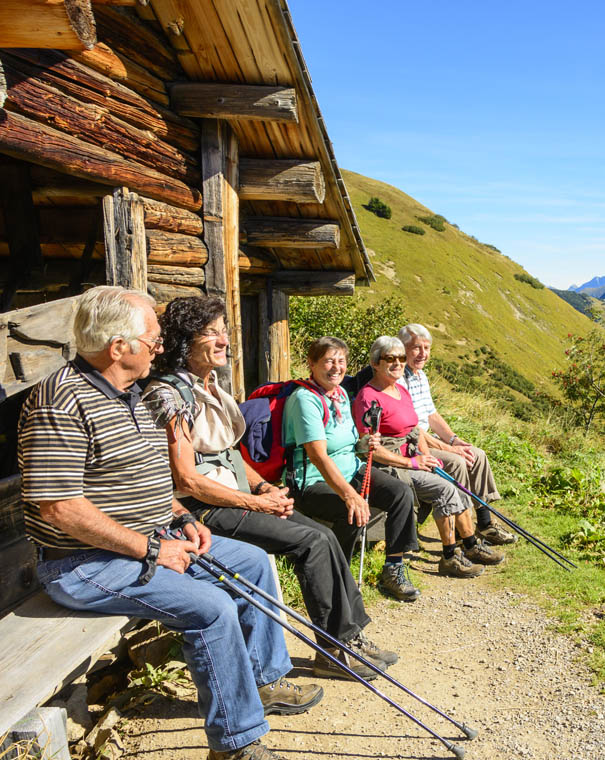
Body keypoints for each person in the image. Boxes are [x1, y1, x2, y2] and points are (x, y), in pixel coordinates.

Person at [19, 286, 319, 760]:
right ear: (120, 347)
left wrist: (179, 517)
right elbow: (59, 508)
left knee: (253, 562)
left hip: (152, 539)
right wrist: (151, 549)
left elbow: (152, 480)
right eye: (154, 341)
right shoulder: (62, 400)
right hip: (83, 563)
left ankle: (264, 683)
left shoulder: (131, 396)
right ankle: (235, 744)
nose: (160, 349)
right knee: (212, 607)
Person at [142, 296, 398, 680]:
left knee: (322, 536)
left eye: (223, 332)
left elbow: (227, 453)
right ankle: (337, 649)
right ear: (185, 340)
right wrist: (254, 503)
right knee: (310, 543)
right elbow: (187, 479)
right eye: (211, 333)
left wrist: (263, 487)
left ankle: (347, 638)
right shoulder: (170, 394)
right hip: (202, 508)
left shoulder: (208, 387)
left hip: (236, 496)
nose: (224, 341)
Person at [353, 336, 503, 578]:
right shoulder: (369, 398)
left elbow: (414, 430)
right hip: (391, 465)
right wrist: (413, 462)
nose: (398, 363)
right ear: (375, 363)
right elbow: (368, 449)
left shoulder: (400, 390)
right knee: (445, 489)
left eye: (401, 358)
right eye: (390, 358)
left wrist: (424, 454)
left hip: (412, 457)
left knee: (452, 479)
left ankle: (467, 545)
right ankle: (451, 556)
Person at [283, 336, 419, 602]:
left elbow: (349, 445)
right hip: (311, 481)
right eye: (329, 361)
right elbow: (319, 457)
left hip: (351, 470)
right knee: (353, 510)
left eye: (341, 361)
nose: (336, 367)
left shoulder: (341, 394)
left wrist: (365, 443)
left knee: (400, 492)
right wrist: (349, 494)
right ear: (311, 364)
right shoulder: (305, 400)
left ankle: (394, 567)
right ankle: (337, 577)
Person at [397, 323, 515, 545]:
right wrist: (450, 449)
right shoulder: (399, 379)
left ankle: (484, 521)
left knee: (476, 454)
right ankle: (463, 531)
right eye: (416, 348)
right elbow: (415, 429)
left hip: (427, 439)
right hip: (414, 444)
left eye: (427, 348)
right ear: (402, 348)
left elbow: (432, 415)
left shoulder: (420, 375)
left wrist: (454, 439)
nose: (423, 353)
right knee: (457, 460)